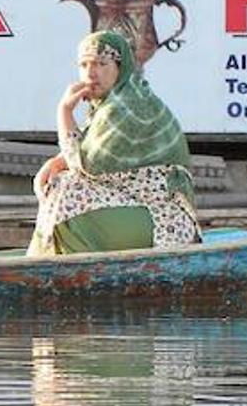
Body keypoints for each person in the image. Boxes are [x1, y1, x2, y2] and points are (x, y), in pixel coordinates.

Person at [27, 30, 199, 257]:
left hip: (166, 223)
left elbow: (86, 167)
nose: (90, 73)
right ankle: (54, 262)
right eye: (84, 65)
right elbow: (85, 154)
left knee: (67, 188)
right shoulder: (109, 106)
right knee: (61, 183)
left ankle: (72, 268)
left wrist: (65, 113)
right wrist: (57, 161)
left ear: (121, 68)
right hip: (138, 208)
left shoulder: (129, 105)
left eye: (101, 64)